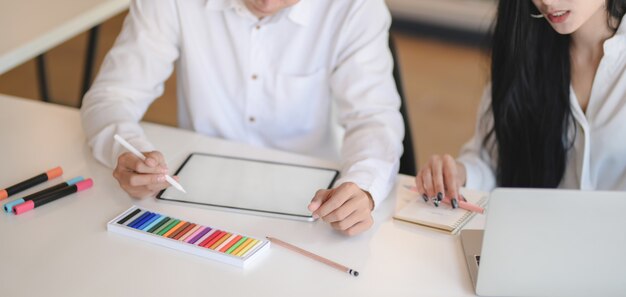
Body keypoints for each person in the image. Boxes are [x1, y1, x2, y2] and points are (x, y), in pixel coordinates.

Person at [80, 0, 404, 236]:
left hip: (310, 204)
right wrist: (129, 153)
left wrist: (363, 187)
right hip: (193, 198)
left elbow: (374, 117)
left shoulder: (356, 8)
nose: (265, 1)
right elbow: (111, 96)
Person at [415, 0, 626, 204]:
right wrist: (459, 174)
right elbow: (496, 162)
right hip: (539, 234)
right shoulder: (524, 44)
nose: (547, 2)